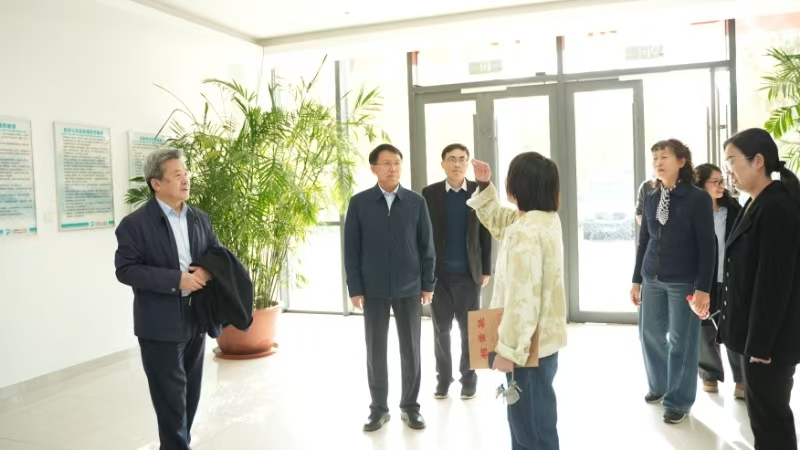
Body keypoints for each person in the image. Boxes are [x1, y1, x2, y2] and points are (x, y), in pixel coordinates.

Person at [115, 149, 220, 449]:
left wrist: (207, 271)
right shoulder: (135, 224)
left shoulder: (199, 218)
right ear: (156, 184)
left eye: (186, 173)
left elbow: (216, 253)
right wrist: (177, 280)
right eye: (177, 175)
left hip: (196, 318)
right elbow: (126, 270)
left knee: (190, 397)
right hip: (159, 325)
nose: (185, 179)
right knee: (171, 403)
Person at [467, 153, 567, 450]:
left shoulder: (525, 232)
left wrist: (508, 351)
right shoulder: (544, 220)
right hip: (542, 343)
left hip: (525, 348)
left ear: (519, 186)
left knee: (527, 429)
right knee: (539, 420)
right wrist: (484, 185)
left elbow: (523, 300)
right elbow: (500, 221)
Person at [344, 143, 436, 432]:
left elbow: (427, 246)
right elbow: (351, 249)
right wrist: (355, 287)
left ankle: (410, 407)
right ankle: (378, 409)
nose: (393, 168)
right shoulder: (359, 203)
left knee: (411, 349)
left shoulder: (416, 202)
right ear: (374, 168)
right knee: (375, 350)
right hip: (372, 288)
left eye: (397, 163)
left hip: (410, 287)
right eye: (386, 163)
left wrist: (428, 283)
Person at [719, 128, 800, 450]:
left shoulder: (778, 208)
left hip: (770, 343)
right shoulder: (755, 203)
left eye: (732, 161)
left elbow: (773, 285)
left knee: (771, 418)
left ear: (758, 161)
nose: (728, 171)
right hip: (758, 338)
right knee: (763, 416)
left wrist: (761, 346)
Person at [630, 139, 715, 424]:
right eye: (654, 157)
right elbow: (644, 240)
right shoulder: (651, 196)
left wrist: (703, 287)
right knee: (649, 334)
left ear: (681, 161)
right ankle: (661, 385)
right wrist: (636, 280)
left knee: (682, 342)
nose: (658, 162)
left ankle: (678, 401)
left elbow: (708, 246)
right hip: (651, 276)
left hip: (684, 281)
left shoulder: (698, 198)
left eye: (664, 157)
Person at [421, 143, 492, 401]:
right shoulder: (429, 194)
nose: (457, 164)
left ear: (467, 163)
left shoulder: (477, 192)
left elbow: (486, 232)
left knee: (470, 331)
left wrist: (486, 268)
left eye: (462, 159)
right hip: (438, 276)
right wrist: (424, 275)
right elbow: (423, 235)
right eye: (451, 159)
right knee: (441, 331)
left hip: (469, 274)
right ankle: (443, 380)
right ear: (443, 164)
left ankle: (469, 380)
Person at [693, 163, 744, 399]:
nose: (721, 185)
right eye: (715, 181)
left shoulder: (733, 209)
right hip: (704, 279)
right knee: (704, 327)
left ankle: (741, 379)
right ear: (701, 184)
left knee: (733, 326)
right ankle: (709, 374)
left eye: (722, 181)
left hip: (730, 276)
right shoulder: (693, 212)